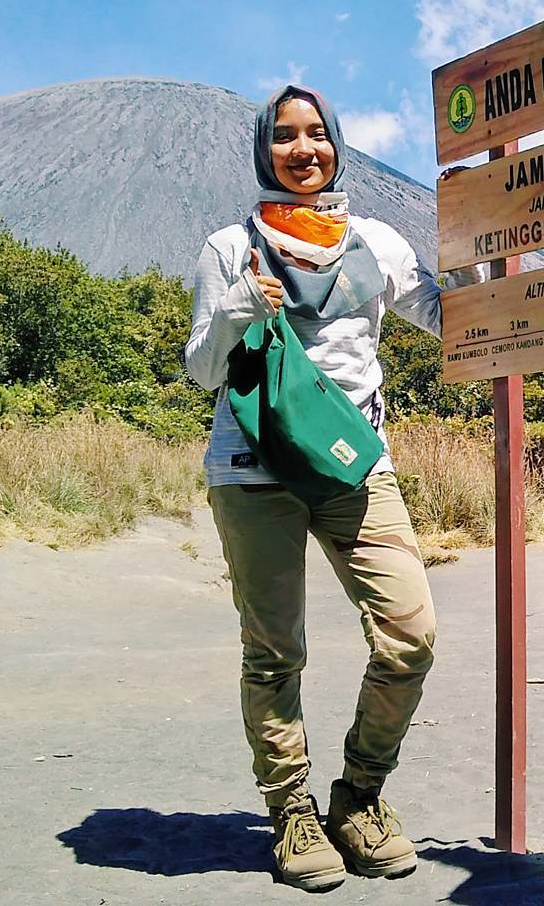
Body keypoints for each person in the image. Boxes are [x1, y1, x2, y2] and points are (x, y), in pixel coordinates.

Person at [184, 85, 482, 892]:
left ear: (337, 144)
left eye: (317, 134)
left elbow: (449, 322)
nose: (303, 149)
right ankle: (291, 814)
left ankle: (358, 795)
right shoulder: (227, 247)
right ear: (264, 150)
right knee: (274, 652)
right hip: (252, 469)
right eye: (285, 136)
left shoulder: (378, 242)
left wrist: (496, 267)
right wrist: (240, 308)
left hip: (356, 465)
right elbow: (202, 372)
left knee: (409, 633)